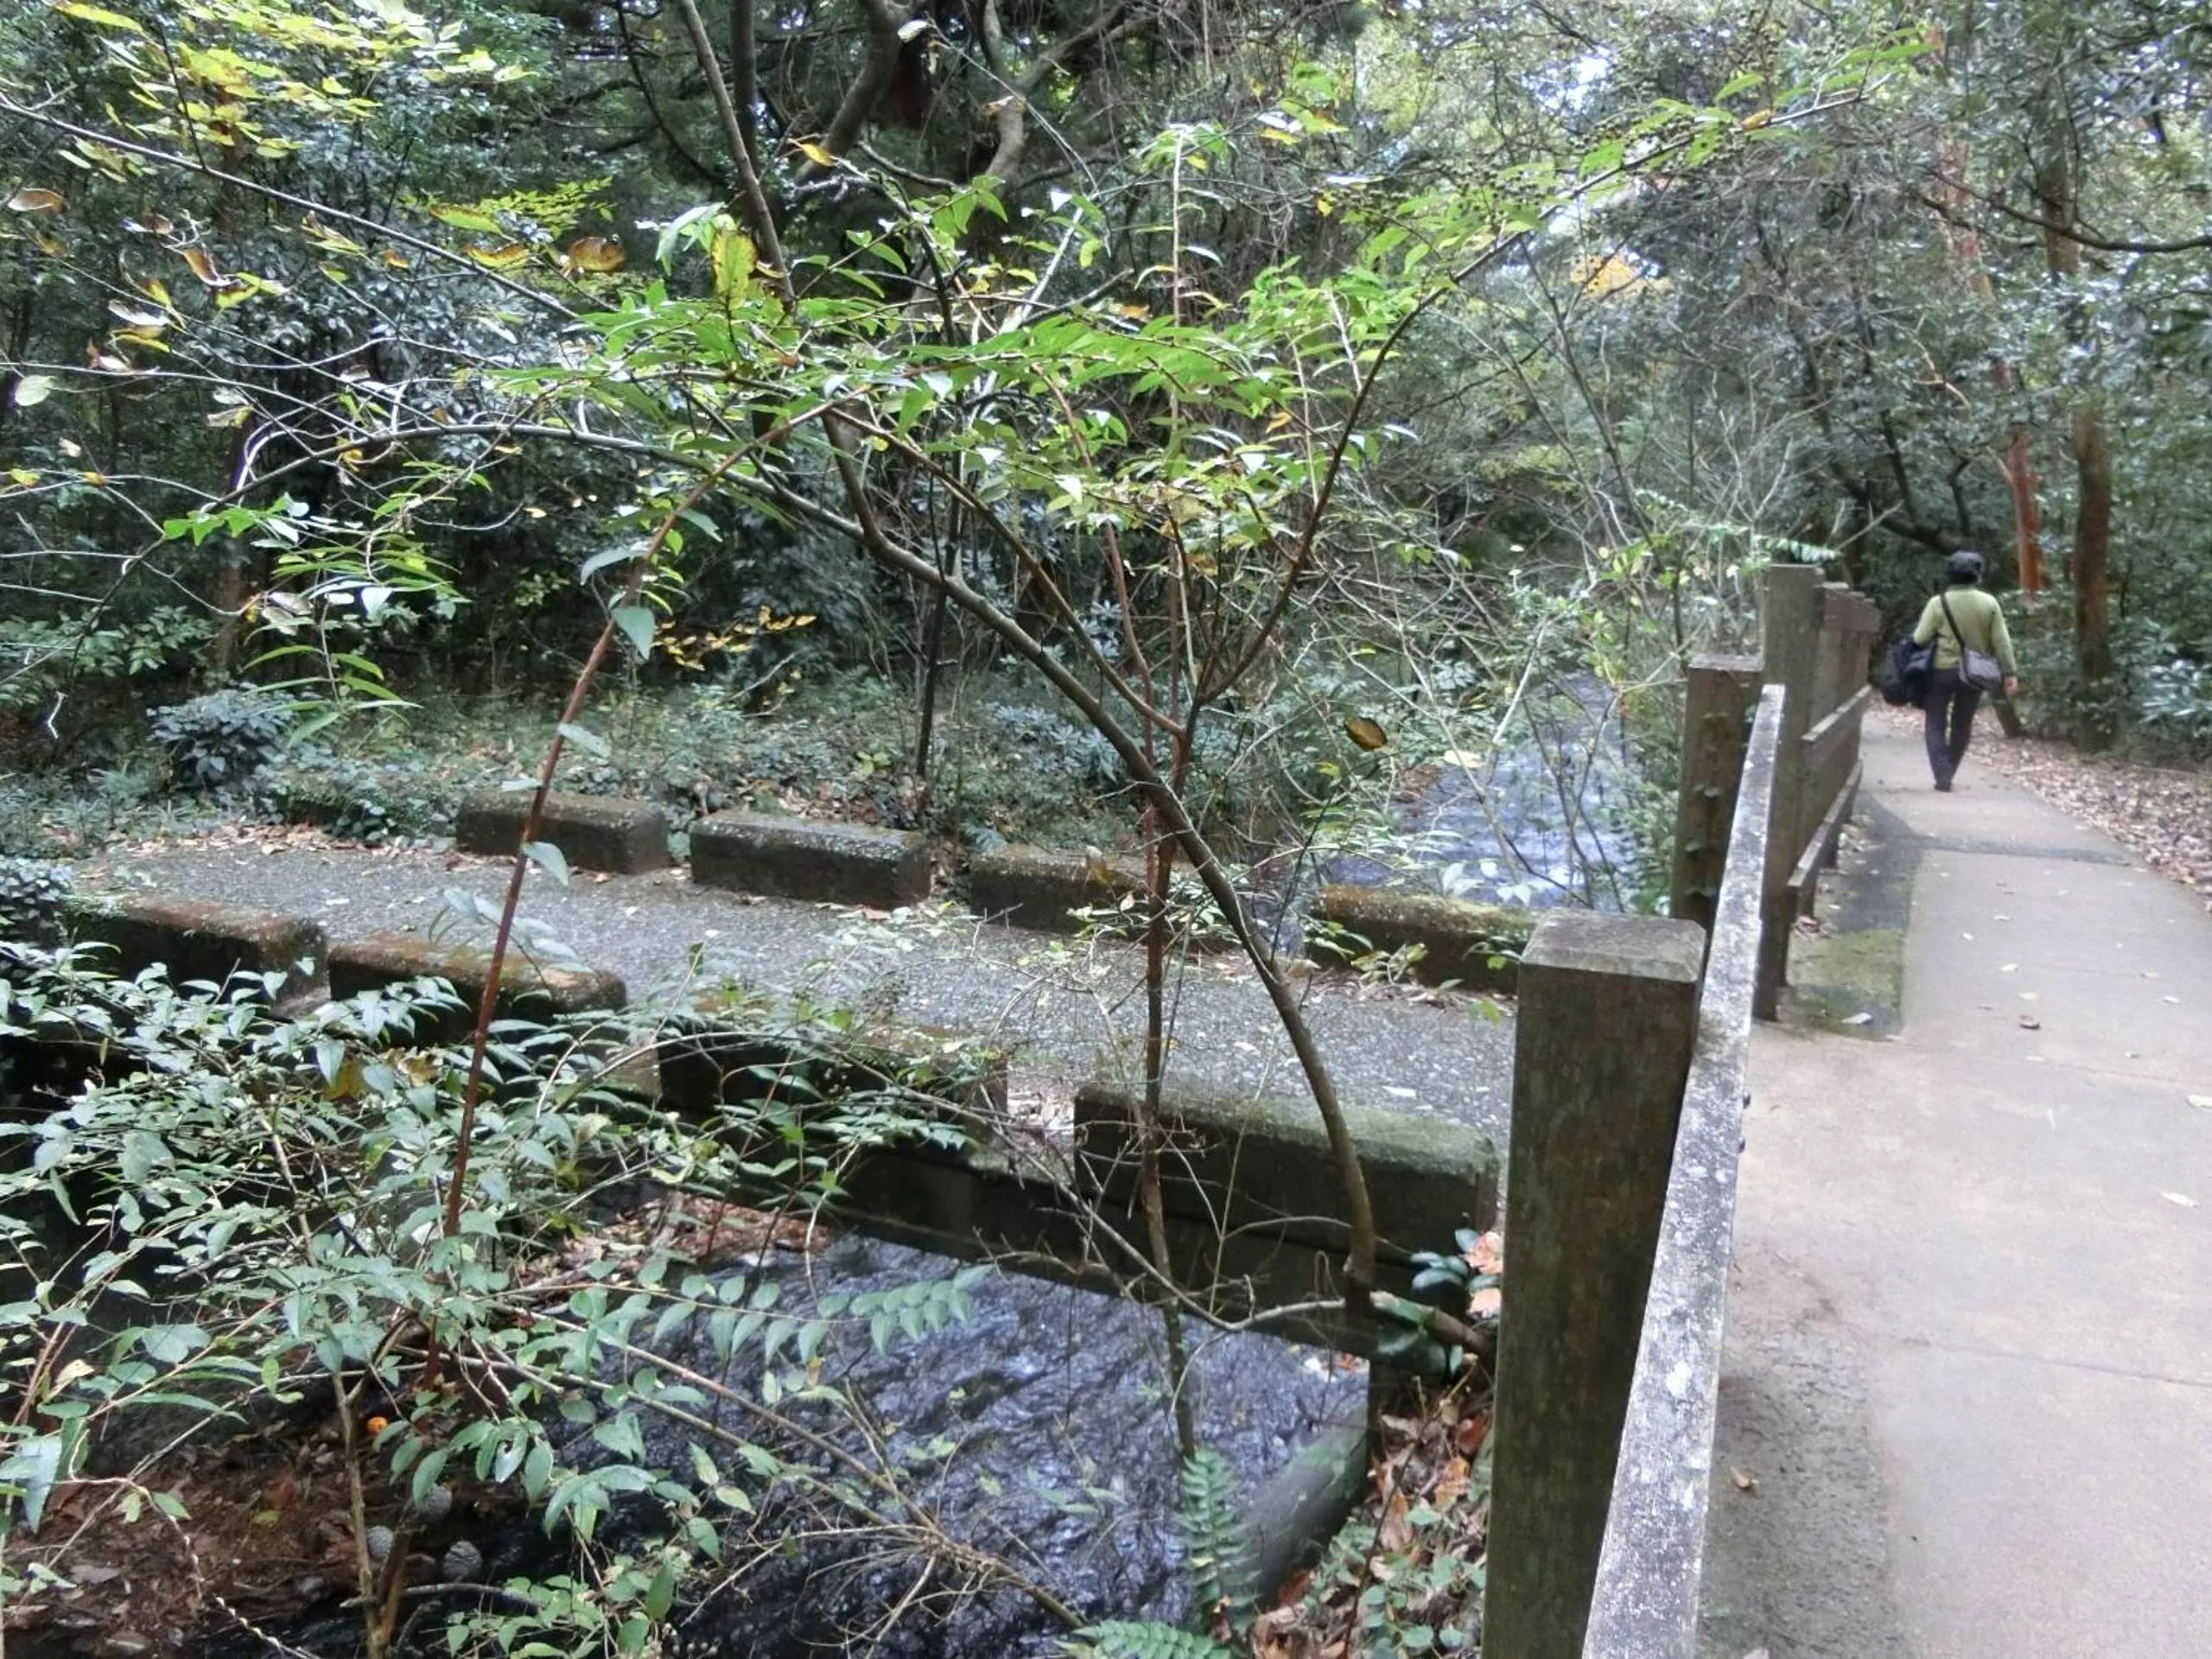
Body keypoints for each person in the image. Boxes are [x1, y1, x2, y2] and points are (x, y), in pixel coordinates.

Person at [1911, 550, 2018, 791]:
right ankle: (1950, 768)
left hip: (1941, 670)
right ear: (1978, 575)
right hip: (1975, 673)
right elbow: (2001, 641)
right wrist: (2009, 673)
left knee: (1935, 722)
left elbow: (1920, 638)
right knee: (1962, 724)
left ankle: (1942, 775)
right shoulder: (1989, 603)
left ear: (1949, 575)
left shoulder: (1938, 603)